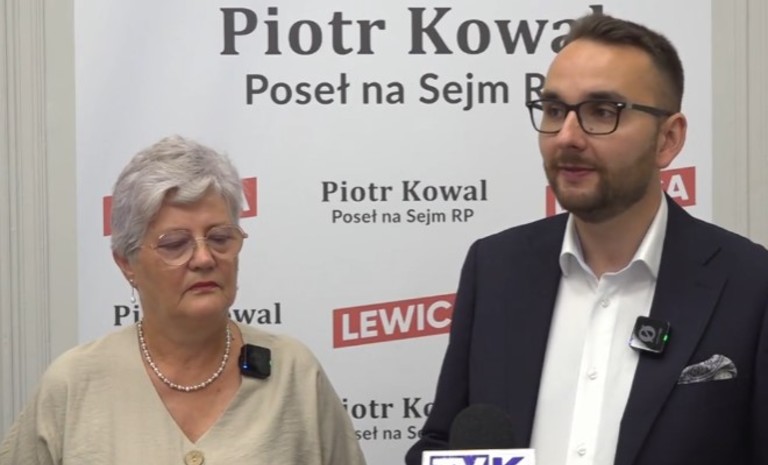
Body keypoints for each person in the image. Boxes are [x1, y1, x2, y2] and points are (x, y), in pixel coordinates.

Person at [406, 12, 768, 465]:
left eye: (603, 112)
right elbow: (444, 442)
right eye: (555, 110)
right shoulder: (495, 267)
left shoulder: (750, 283)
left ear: (668, 139)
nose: (567, 137)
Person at [0, 135, 367, 464]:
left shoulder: (294, 373)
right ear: (126, 263)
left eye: (220, 238)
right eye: (175, 244)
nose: (204, 259)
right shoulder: (74, 384)